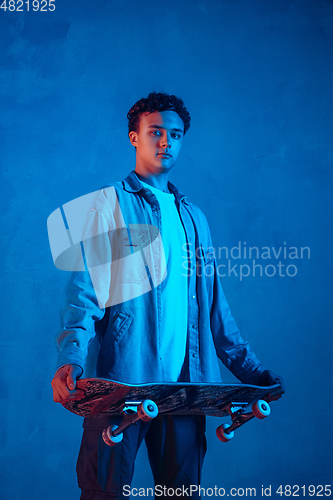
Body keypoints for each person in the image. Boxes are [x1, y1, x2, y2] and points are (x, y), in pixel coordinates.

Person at [51, 92, 284, 499]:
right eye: (155, 132)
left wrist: (256, 374)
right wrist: (71, 356)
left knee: (180, 493)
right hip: (122, 381)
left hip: (185, 388)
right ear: (134, 138)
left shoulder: (193, 218)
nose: (166, 142)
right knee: (103, 490)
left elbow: (215, 310)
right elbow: (84, 291)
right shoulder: (109, 205)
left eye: (174, 134)